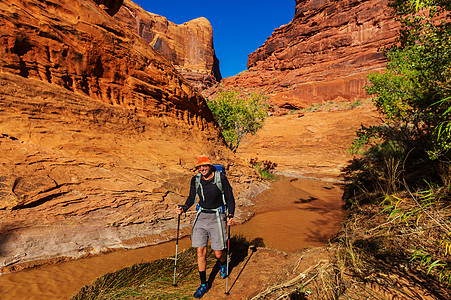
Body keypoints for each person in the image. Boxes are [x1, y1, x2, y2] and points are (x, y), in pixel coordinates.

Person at [176, 155, 235, 299]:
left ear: (210, 166)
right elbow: (191, 198)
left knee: (218, 253)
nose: (202, 169)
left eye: (204, 166)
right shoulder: (196, 179)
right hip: (201, 216)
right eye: (199, 167)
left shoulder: (220, 178)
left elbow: (230, 198)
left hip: (217, 217)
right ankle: (203, 284)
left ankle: (222, 264)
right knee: (200, 251)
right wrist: (184, 207)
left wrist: (230, 215)